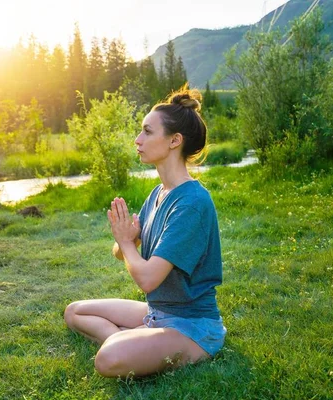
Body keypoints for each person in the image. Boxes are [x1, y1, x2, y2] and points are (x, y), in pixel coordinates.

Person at [63, 87, 227, 378]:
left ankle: (129, 341)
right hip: (157, 312)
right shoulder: (159, 194)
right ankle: (133, 339)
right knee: (74, 312)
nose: (138, 140)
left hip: (191, 325)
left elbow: (148, 279)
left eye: (147, 132)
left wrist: (127, 243)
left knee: (108, 359)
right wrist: (126, 238)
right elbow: (123, 253)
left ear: (174, 141)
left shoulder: (192, 204)